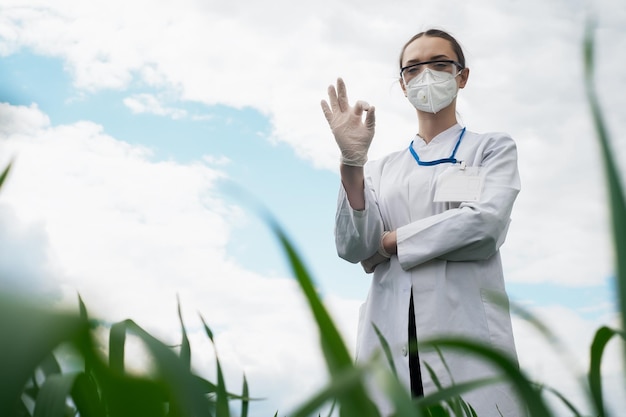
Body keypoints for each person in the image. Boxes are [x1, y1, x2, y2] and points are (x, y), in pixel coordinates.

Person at [321, 29, 526, 416]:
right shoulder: (381, 170)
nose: (426, 75)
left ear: (461, 76)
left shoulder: (490, 149)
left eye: (439, 64)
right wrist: (352, 165)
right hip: (391, 330)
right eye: (413, 69)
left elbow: (484, 226)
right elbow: (352, 248)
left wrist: (391, 242)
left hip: (464, 330)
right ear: (402, 84)